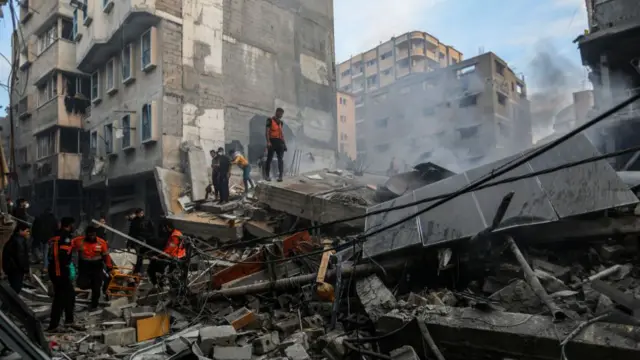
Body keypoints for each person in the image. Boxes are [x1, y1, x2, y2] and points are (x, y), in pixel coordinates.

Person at [47, 217, 81, 332]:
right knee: (60, 298)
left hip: (55, 270)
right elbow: (61, 257)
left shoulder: (55, 236)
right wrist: (67, 268)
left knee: (70, 295)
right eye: (73, 225)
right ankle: (54, 325)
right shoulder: (65, 238)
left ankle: (68, 320)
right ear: (69, 225)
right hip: (59, 271)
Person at [72, 225, 113, 310]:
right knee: (81, 284)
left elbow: (106, 256)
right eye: (90, 235)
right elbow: (69, 245)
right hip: (84, 266)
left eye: (93, 235)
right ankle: (93, 285)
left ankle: (94, 305)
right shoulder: (79, 241)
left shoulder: (101, 242)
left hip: (96, 267)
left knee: (96, 288)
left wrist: (109, 267)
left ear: (95, 234)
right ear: (86, 234)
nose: (91, 237)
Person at [147, 219, 185, 287]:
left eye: (164, 228)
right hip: (177, 256)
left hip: (174, 257)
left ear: (167, 227)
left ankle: (158, 285)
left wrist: (157, 256)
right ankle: (163, 284)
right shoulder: (177, 233)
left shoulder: (174, 236)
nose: (164, 229)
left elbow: (169, 250)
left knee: (152, 267)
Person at [2, 223, 30, 293]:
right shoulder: (19, 241)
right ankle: (7, 304)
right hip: (16, 269)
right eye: (27, 231)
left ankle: (7, 303)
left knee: (13, 288)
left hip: (11, 268)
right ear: (20, 231)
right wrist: (26, 269)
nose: (28, 233)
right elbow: (21, 257)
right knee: (15, 289)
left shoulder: (13, 239)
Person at [130, 208, 156, 275]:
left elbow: (152, 230)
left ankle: (152, 271)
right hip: (137, 241)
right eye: (139, 213)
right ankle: (137, 271)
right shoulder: (134, 221)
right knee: (139, 256)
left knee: (150, 255)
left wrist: (149, 238)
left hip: (147, 240)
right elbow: (131, 232)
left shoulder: (147, 220)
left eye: (141, 213)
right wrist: (129, 243)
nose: (140, 214)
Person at [265, 108, 288, 182]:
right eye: (280, 113)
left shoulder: (281, 122)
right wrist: (268, 142)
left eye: (282, 114)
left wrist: (284, 144)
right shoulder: (270, 120)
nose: (281, 115)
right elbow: (267, 132)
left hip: (280, 142)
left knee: (280, 160)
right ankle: (267, 176)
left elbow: (281, 134)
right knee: (269, 159)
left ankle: (280, 176)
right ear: (277, 112)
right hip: (272, 142)